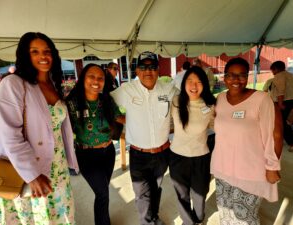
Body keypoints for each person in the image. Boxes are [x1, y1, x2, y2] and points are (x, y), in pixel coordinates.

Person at [0, 32, 79, 224]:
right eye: (35, 51)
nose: (43, 56)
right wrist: (32, 175)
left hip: (57, 168)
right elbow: (9, 134)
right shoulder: (13, 84)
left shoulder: (52, 83)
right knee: (36, 218)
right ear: (25, 55)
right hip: (27, 171)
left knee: (61, 216)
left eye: (47, 51)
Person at [211, 57, 281, 225]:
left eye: (242, 75)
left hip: (250, 172)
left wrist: (272, 166)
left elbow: (274, 136)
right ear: (224, 77)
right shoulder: (220, 99)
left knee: (244, 218)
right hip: (223, 168)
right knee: (225, 213)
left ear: (248, 77)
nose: (236, 80)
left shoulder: (261, 99)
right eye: (231, 75)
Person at [111, 51, 178, 225]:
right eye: (143, 67)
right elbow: (105, 102)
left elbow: (187, 100)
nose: (148, 71)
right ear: (137, 71)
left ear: (158, 70)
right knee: (142, 195)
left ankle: (154, 217)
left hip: (163, 153)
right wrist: (121, 119)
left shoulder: (168, 89)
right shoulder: (127, 90)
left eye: (152, 67)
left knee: (156, 188)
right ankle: (147, 222)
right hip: (139, 155)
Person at [66, 63, 124, 225]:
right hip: (86, 155)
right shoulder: (71, 103)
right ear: (83, 77)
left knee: (103, 191)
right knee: (103, 192)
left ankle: (104, 219)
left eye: (100, 78)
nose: (96, 81)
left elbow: (119, 117)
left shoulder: (106, 100)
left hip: (108, 152)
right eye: (91, 76)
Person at [169, 66, 216, 225]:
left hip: (201, 157)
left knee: (200, 194)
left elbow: (216, 126)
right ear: (183, 84)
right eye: (190, 81)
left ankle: (199, 219)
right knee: (181, 194)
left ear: (205, 84)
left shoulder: (210, 105)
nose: (194, 86)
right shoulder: (175, 101)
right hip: (177, 156)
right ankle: (188, 222)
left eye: (198, 82)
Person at [270, 60, 293, 151]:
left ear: (276, 69)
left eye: (273, 71)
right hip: (291, 100)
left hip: (283, 101)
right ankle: (289, 137)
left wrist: (280, 103)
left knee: (280, 122)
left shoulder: (279, 76)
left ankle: (292, 141)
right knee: (283, 121)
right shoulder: (290, 75)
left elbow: (280, 91)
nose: (273, 73)